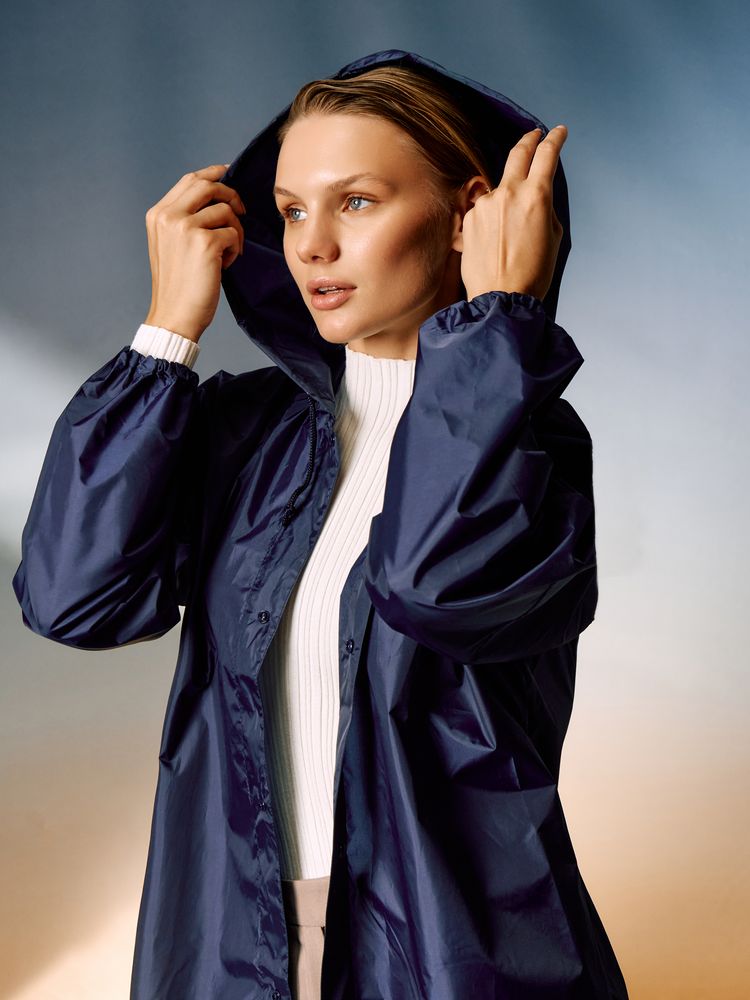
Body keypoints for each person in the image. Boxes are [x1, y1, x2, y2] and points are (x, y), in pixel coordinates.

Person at [12, 49, 629, 1000]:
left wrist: (499, 322)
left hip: (450, 960)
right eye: (293, 211)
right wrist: (167, 333)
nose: (311, 246)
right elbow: (73, 598)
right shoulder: (245, 433)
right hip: (233, 947)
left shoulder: (530, 440)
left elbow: (434, 585)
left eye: (357, 202)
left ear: (468, 214)